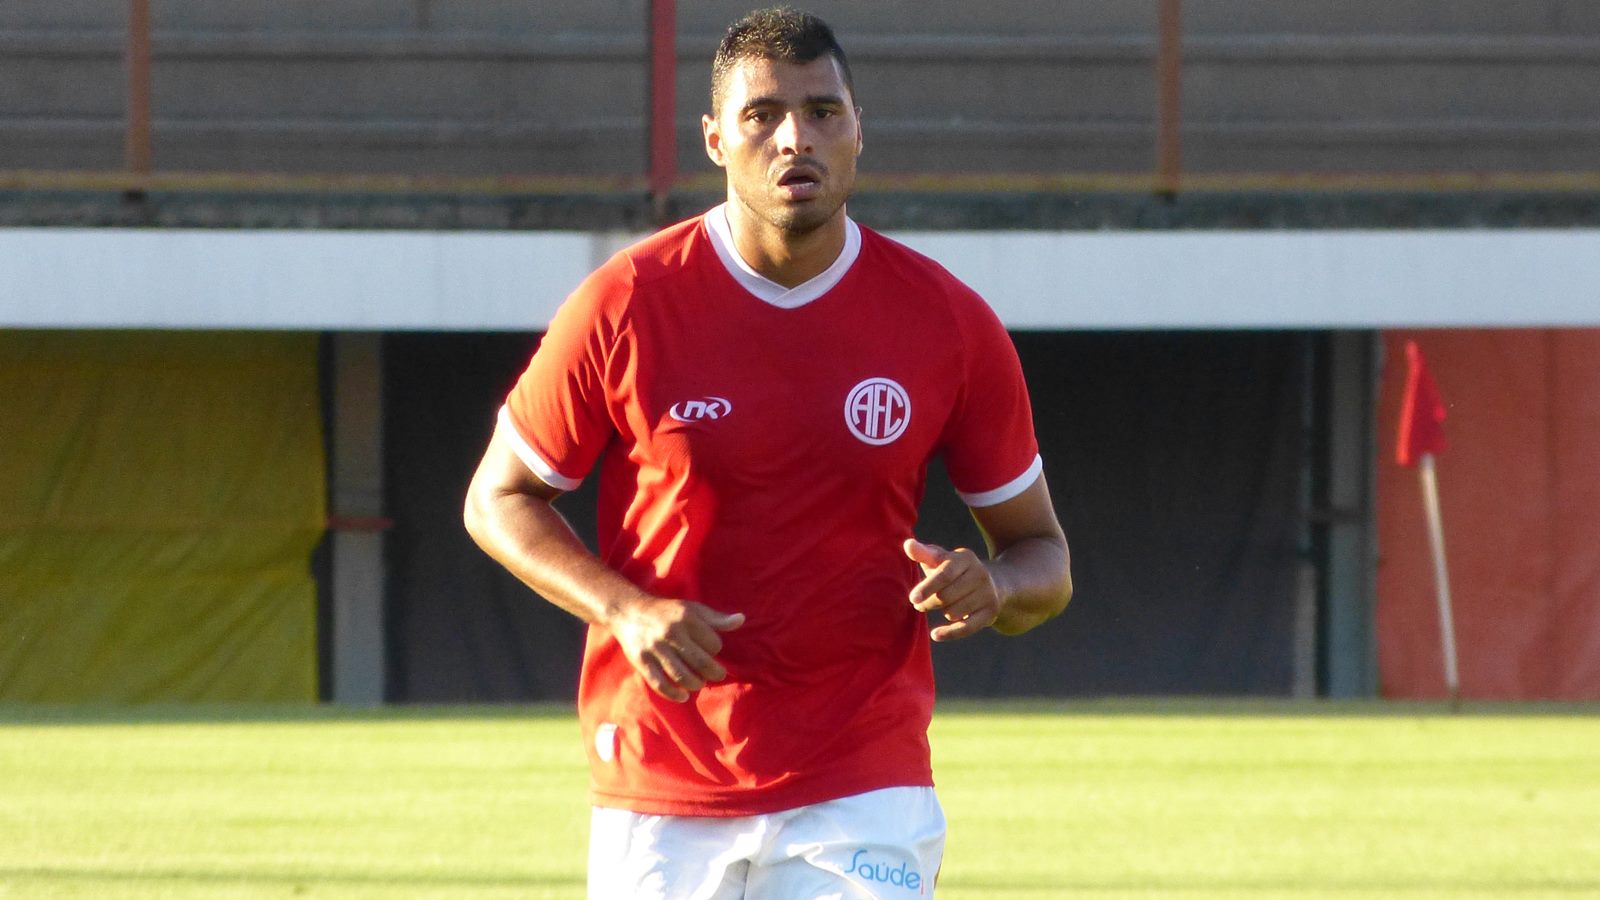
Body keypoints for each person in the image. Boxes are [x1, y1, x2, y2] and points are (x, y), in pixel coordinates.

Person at [464, 7, 1072, 897]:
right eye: (763, 115)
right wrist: (625, 610)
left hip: (866, 779)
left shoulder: (947, 322)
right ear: (715, 138)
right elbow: (498, 498)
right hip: (663, 777)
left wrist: (997, 585)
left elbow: (1043, 557)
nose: (797, 138)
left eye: (825, 112)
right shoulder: (626, 302)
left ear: (860, 130)